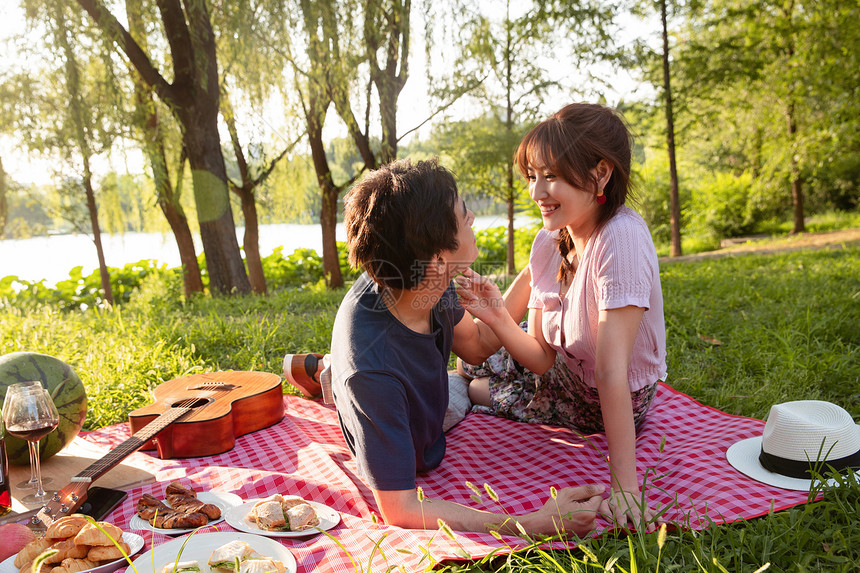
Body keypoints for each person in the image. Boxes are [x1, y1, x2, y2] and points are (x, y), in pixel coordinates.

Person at [286, 157, 607, 536]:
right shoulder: (374, 375)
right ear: (438, 256)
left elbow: (475, 348)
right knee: (458, 397)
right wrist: (531, 524)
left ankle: (327, 371)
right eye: (462, 214)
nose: (471, 218)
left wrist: (539, 265)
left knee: (463, 380)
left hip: (417, 389)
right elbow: (400, 510)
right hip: (406, 415)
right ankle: (333, 378)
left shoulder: (422, 281)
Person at [455, 103, 667, 532]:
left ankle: (458, 393)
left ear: (600, 174)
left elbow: (611, 372)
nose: (536, 192)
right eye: (532, 176)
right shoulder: (552, 240)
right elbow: (541, 358)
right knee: (471, 358)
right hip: (560, 369)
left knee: (478, 386)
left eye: (550, 175)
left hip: (601, 395)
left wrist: (625, 488)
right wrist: (497, 315)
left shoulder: (620, 238)